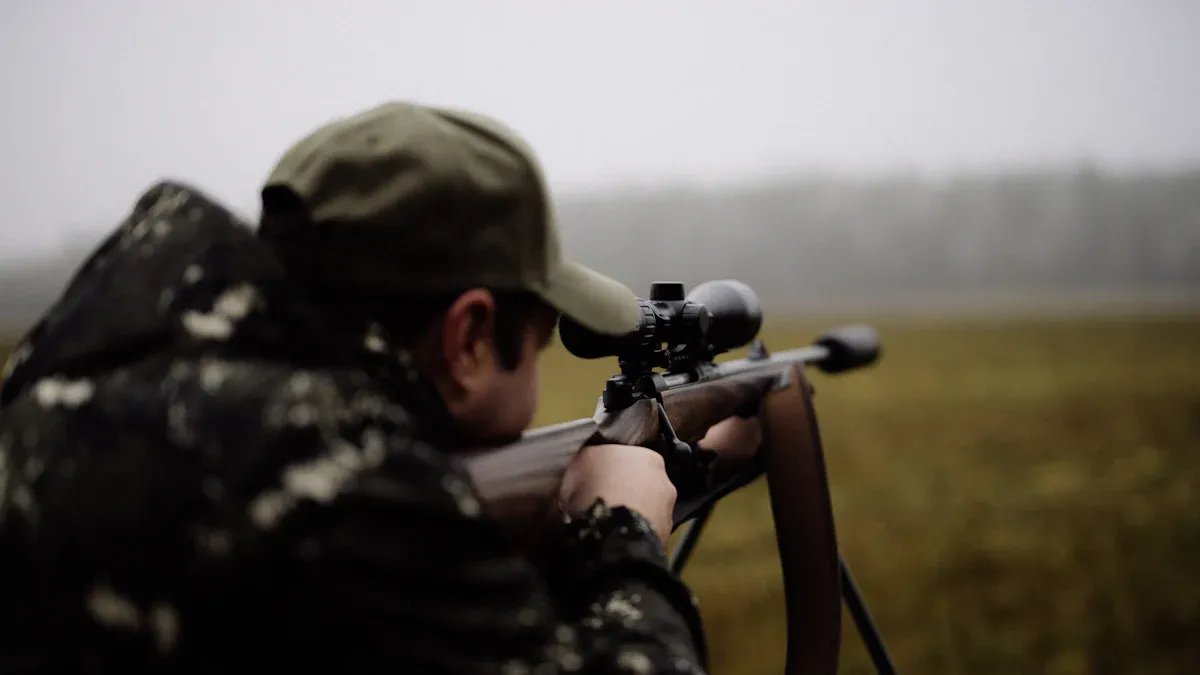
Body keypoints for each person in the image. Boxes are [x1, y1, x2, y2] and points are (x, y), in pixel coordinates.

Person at [0, 101, 762, 673]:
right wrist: (623, 529)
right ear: (467, 338)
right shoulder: (338, 468)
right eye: (535, 345)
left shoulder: (72, 377)